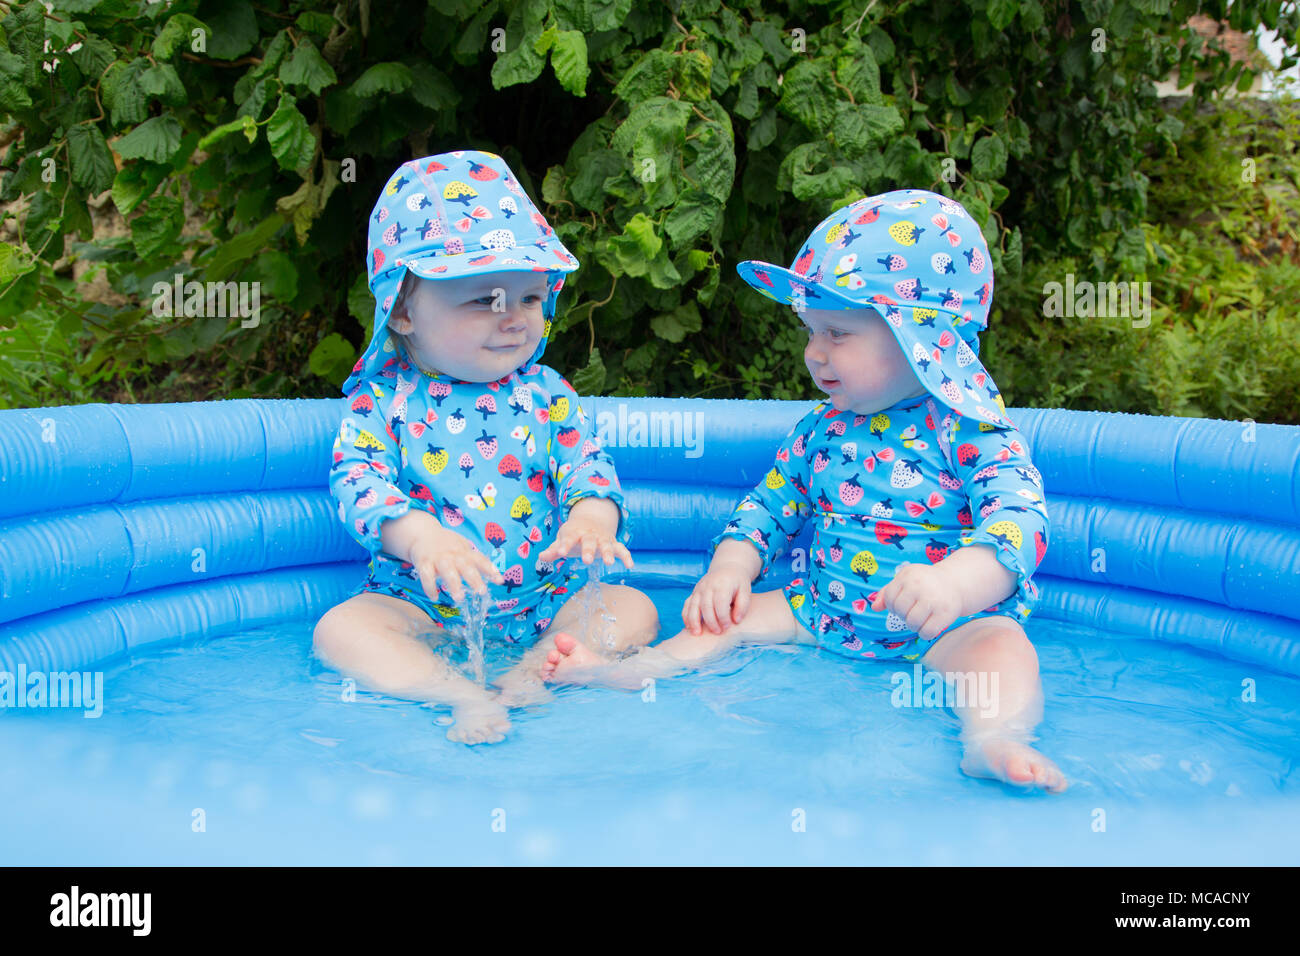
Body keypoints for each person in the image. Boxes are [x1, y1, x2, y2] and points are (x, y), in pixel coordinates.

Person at [542, 188, 1065, 792]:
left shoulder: (971, 430)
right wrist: (730, 571)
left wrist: (955, 583)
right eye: (811, 331)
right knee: (724, 621)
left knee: (1001, 649)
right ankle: (633, 671)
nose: (815, 354)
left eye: (837, 333)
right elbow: (766, 509)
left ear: (919, 338)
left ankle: (994, 738)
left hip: (946, 630)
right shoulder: (822, 428)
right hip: (819, 612)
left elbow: (1020, 523)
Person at [315, 149, 658, 745]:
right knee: (341, 630)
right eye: (486, 300)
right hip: (421, 608)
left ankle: (536, 671)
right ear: (401, 310)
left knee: (635, 610)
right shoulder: (386, 403)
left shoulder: (547, 394)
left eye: (528, 298)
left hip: (546, 600)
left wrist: (591, 521)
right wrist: (422, 537)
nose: (516, 320)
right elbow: (356, 484)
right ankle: (458, 692)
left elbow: (590, 469)